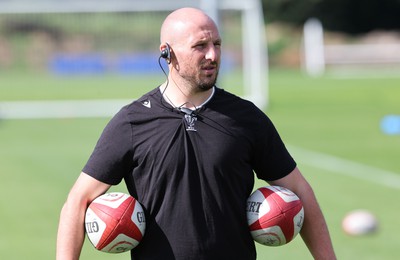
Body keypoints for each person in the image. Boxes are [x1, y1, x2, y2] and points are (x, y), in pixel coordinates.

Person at [56, 7, 336, 260]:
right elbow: (77, 201)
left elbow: (299, 191)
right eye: (200, 46)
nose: (213, 55)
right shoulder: (132, 122)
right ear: (167, 53)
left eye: (217, 44)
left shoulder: (246, 118)